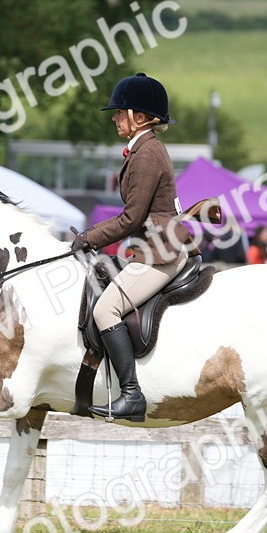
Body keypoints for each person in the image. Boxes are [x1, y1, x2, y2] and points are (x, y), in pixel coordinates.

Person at [71, 72, 190, 423]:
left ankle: (132, 395)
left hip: (159, 253)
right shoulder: (144, 149)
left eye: (119, 112)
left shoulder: (147, 153)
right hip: (154, 247)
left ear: (140, 116)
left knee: (105, 311)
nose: (114, 117)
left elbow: (132, 219)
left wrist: (88, 238)